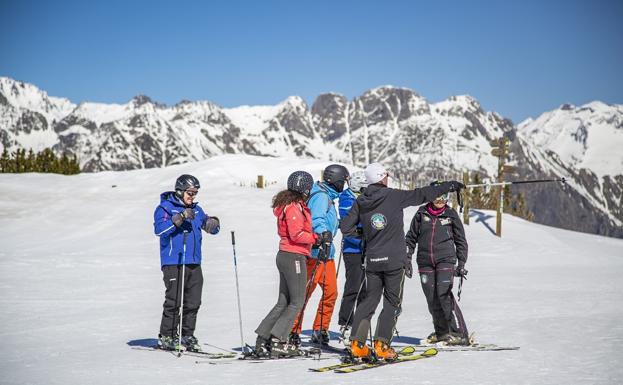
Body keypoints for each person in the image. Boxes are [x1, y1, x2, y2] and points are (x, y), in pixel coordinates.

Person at [340, 163, 464, 360]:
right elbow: (422, 194)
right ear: (382, 178)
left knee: (368, 301)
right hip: (394, 261)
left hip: (372, 260)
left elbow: (345, 226)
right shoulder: (393, 196)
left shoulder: (361, 200)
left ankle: (357, 344)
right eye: (386, 175)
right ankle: (382, 345)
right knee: (392, 303)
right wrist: (447, 186)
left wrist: (364, 234)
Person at [153, 174, 220, 352]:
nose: (193, 196)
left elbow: (209, 226)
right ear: (180, 191)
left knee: (193, 301)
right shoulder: (165, 208)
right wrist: (179, 218)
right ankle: (167, 335)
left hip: (194, 261)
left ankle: (187, 335)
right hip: (174, 261)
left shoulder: (197, 210)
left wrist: (212, 224)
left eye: (195, 193)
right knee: (174, 300)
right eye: (190, 193)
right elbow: (160, 231)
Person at [254, 171, 317, 358]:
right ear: (304, 188)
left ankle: (263, 338)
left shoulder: (290, 205)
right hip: (293, 256)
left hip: (287, 254)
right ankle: (278, 340)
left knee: (284, 302)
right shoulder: (293, 207)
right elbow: (296, 234)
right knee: (297, 301)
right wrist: (317, 238)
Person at [290, 164, 350, 346]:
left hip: (327, 254)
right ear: (337, 181)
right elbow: (317, 220)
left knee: (331, 292)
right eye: (344, 181)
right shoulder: (322, 197)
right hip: (315, 253)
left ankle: (320, 329)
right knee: (305, 293)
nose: (345, 184)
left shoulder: (327, 196)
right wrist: (324, 235)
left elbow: (326, 219)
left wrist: (341, 224)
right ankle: (292, 331)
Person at [405, 181, 470, 345]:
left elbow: (461, 241)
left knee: (443, 294)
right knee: (431, 297)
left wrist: (461, 263)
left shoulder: (450, 214)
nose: (441, 199)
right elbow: (411, 238)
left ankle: (459, 333)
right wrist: (407, 258)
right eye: (437, 195)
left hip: (445, 260)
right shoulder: (421, 213)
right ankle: (442, 333)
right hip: (425, 261)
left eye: (444, 196)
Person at [336, 170, 369, 343]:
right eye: (364, 188)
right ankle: (346, 324)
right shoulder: (347, 198)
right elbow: (348, 223)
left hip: (367, 249)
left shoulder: (361, 197)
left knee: (365, 289)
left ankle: (360, 326)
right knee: (353, 287)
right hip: (353, 249)